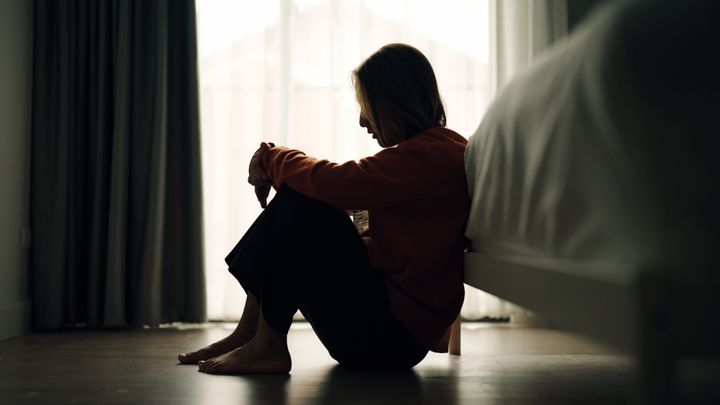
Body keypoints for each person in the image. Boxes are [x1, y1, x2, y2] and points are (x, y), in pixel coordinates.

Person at [178, 43, 470, 374]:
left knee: (302, 202)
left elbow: (339, 184)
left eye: (367, 107)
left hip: (389, 340)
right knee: (303, 200)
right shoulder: (431, 153)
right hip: (387, 329)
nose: (363, 121)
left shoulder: (431, 156)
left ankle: (266, 344)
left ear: (394, 102)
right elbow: (366, 216)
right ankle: (252, 334)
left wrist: (271, 157)